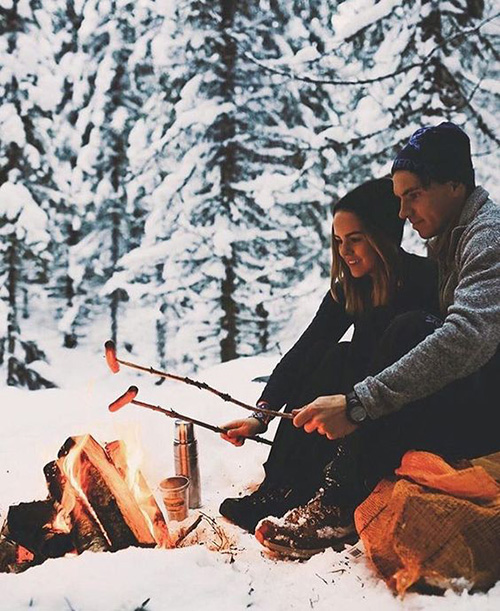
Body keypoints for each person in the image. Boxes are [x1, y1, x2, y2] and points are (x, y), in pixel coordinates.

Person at [255, 121, 500, 558]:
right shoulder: (448, 241)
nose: (403, 212)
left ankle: (339, 501)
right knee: (346, 354)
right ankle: (296, 484)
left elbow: (467, 337)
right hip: (470, 396)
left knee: (410, 329)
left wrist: (358, 404)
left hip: (487, 412)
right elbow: (310, 346)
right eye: (400, 198)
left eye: (413, 195)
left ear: (454, 185)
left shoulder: (487, 238)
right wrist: (263, 413)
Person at [219, 177, 439, 535]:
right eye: (338, 241)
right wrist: (261, 416)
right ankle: (280, 487)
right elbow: (304, 351)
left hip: (399, 413)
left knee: (352, 354)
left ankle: (338, 492)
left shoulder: (426, 281)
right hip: (352, 410)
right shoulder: (351, 287)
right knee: (331, 354)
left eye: (355, 239)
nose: (345, 251)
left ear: (382, 237)